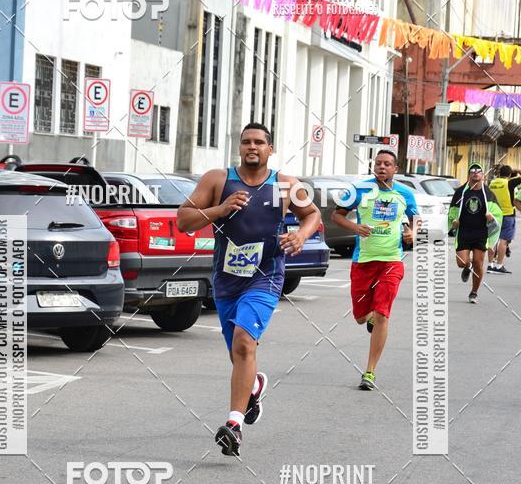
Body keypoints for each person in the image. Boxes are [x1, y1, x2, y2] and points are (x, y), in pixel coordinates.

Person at [176, 122, 320, 456]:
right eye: (245, 142)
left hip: (265, 276)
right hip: (226, 281)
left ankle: (234, 426)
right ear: (239, 148)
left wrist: (300, 235)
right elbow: (183, 221)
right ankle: (254, 385)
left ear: (270, 149)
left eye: (259, 142)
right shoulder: (217, 180)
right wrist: (219, 210)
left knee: (244, 343)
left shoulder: (285, 186)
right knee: (238, 354)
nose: (251, 147)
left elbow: (312, 214)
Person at [331, 150, 418, 391]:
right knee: (361, 317)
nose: (381, 167)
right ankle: (368, 318)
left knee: (382, 314)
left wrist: (412, 233)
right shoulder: (359, 190)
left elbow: (414, 219)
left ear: (395, 168)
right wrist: (355, 227)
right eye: (378, 163)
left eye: (387, 164)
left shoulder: (405, 194)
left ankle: (369, 371)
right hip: (363, 261)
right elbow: (336, 216)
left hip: (392, 260)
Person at [448, 162, 501, 303]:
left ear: (482, 175)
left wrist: (492, 218)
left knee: (479, 262)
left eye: (478, 171)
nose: (475, 173)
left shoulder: (488, 194)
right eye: (473, 171)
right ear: (469, 174)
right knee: (461, 262)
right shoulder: (460, 192)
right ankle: (467, 265)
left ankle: (474, 292)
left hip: (481, 232)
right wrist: (454, 222)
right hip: (464, 231)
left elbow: (498, 213)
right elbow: (452, 211)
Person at [487, 163, 515, 273]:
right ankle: (499, 266)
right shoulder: (509, 183)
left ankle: (490, 265)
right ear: (509, 174)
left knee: (493, 239)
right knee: (503, 241)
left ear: (499, 173)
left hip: (493, 214)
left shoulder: (492, 183)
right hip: (507, 214)